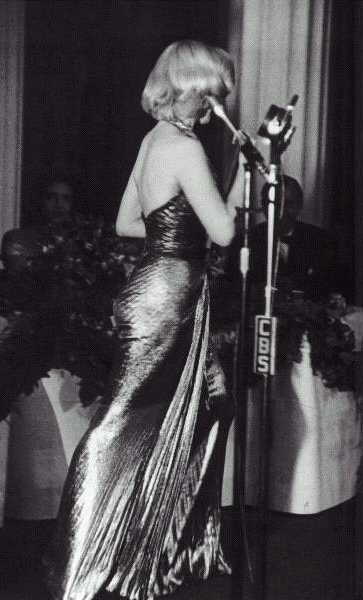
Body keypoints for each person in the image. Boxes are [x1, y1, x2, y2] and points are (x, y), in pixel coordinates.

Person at [43, 40, 243, 600]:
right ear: (191, 88)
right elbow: (225, 232)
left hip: (158, 287)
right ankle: (78, 564)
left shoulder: (153, 140)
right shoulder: (184, 147)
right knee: (121, 423)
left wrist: (176, 233)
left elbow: (127, 223)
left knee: (213, 403)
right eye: (211, 95)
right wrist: (244, 178)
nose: (214, 108)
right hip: (167, 297)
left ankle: (172, 544)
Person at [229, 175, 337, 300]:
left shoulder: (322, 241)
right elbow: (231, 288)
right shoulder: (244, 242)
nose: (281, 211)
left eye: (288, 203)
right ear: (263, 206)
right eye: (275, 203)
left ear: (300, 204)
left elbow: (332, 289)